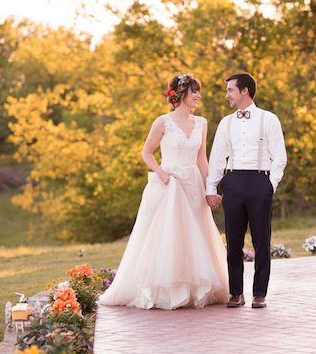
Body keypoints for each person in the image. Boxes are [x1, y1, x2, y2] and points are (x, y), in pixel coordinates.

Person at [98, 74, 229, 310]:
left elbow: (202, 158)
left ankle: (193, 290)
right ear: (180, 95)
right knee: (169, 234)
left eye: (198, 91)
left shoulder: (201, 123)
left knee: (196, 235)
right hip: (169, 183)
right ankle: (168, 290)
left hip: (193, 182)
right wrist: (160, 172)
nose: (198, 96)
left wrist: (210, 188)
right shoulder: (163, 122)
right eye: (194, 91)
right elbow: (146, 152)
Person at [206, 73, 287, 309]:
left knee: (262, 240)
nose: (227, 95)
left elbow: (279, 157)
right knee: (233, 241)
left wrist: (270, 185)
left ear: (244, 91)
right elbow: (217, 157)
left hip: (260, 181)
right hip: (233, 181)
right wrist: (212, 188)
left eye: (230, 90)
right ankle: (236, 293)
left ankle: (259, 293)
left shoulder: (268, 119)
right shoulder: (226, 123)